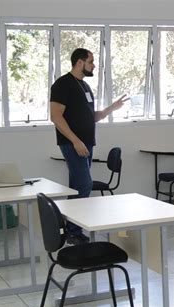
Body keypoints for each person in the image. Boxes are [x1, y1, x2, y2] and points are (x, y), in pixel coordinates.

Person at [50, 48, 128, 245]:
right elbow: (56, 116)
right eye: (91, 61)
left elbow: (92, 117)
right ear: (79, 62)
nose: (93, 65)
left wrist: (112, 108)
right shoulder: (62, 84)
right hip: (72, 143)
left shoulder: (84, 86)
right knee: (84, 184)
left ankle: (68, 231)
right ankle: (73, 232)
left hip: (86, 144)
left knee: (77, 186)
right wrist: (75, 140)